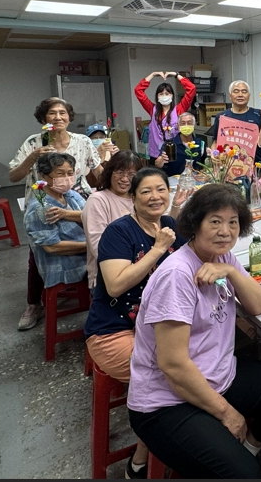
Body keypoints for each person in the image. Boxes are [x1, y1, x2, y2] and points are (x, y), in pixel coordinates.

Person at [126, 184, 261, 478]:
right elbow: (173, 365)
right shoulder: (177, 275)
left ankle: (245, 451)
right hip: (166, 401)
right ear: (195, 224)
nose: (225, 231)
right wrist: (227, 413)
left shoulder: (221, 257)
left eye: (233, 222)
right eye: (215, 221)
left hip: (217, 376)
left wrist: (232, 272)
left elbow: (258, 305)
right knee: (246, 475)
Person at [84, 167, 189, 479]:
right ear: (132, 197)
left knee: (196, 366)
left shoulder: (171, 225)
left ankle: (172, 448)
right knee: (174, 379)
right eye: (146, 191)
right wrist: (157, 249)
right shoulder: (119, 232)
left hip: (157, 327)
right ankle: (142, 461)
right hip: (114, 332)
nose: (155, 197)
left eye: (161, 189)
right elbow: (115, 285)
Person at [10, 97, 106, 331]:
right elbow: (13, 176)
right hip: (44, 200)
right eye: (52, 113)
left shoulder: (82, 141)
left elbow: (99, 172)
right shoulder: (33, 142)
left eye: (62, 113)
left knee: (92, 238)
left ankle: (96, 293)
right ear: (44, 118)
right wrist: (33, 157)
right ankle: (34, 304)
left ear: (69, 117)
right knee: (40, 253)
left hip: (77, 198)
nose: (58, 117)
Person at [23, 153, 87, 295]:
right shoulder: (40, 208)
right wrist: (91, 246)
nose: (66, 178)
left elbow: (93, 216)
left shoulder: (71, 195)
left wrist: (66, 214)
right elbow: (52, 247)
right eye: (60, 174)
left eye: (70, 173)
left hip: (86, 254)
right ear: (43, 176)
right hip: (66, 265)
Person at [81, 150, 144, 288]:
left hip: (142, 270)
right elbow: (97, 246)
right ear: (110, 172)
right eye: (120, 172)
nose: (125, 179)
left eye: (131, 175)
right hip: (109, 276)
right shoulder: (98, 200)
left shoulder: (139, 199)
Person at [135, 71, 197, 162]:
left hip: (175, 153)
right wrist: (152, 75)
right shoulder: (152, 109)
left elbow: (191, 89)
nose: (164, 96)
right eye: (161, 94)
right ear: (157, 97)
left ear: (172, 95)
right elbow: (138, 90)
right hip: (156, 154)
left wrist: (176, 75)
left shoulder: (179, 109)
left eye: (167, 93)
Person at [209, 80, 261, 164]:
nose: (240, 95)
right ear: (230, 96)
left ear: (249, 96)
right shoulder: (222, 117)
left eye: (244, 91)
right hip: (228, 166)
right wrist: (213, 153)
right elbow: (216, 141)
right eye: (236, 91)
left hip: (256, 165)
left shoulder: (259, 115)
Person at [155, 112, 207, 176]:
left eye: (189, 123)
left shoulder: (201, 144)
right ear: (178, 126)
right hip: (174, 179)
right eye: (183, 123)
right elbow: (157, 164)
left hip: (194, 179)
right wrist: (161, 161)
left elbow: (205, 165)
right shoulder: (169, 144)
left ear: (194, 125)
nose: (186, 125)